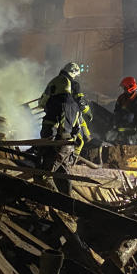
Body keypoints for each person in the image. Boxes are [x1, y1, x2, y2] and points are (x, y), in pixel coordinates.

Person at [36, 62, 86, 194]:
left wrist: (44, 147)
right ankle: (69, 204)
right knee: (62, 176)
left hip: (56, 144)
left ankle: (52, 203)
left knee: (43, 175)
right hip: (67, 147)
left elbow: (49, 129)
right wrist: (73, 152)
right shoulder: (75, 107)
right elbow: (78, 132)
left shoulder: (56, 103)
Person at [38, 61, 91, 154]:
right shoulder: (74, 84)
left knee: (47, 137)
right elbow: (80, 102)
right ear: (73, 73)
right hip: (70, 115)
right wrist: (88, 112)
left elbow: (43, 100)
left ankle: (42, 157)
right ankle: (72, 158)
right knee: (76, 138)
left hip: (52, 114)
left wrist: (47, 107)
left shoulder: (54, 81)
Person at [113, 76, 137, 144]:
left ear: (131, 86)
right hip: (121, 123)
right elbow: (116, 110)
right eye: (123, 88)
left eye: (125, 87)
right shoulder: (121, 97)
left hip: (135, 124)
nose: (124, 89)